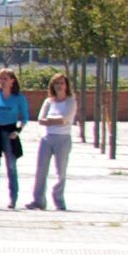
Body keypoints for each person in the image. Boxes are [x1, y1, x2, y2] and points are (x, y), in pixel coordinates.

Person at [0, 67, 31, 207]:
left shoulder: (19, 97)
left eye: (5, 78)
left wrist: (18, 131)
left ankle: (13, 199)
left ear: (12, 81)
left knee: (11, 167)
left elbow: (25, 117)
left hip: (10, 133)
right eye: (0, 78)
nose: (2, 81)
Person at [32, 71, 77, 210]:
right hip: (47, 138)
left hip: (63, 139)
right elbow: (40, 119)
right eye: (57, 83)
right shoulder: (48, 101)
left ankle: (59, 200)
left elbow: (65, 119)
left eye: (62, 83)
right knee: (41, 170)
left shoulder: (70, 101)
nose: (59, 86)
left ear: (66, 86)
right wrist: (54, 121)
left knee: (61, 171)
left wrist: (51, 120)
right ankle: (38, 200)